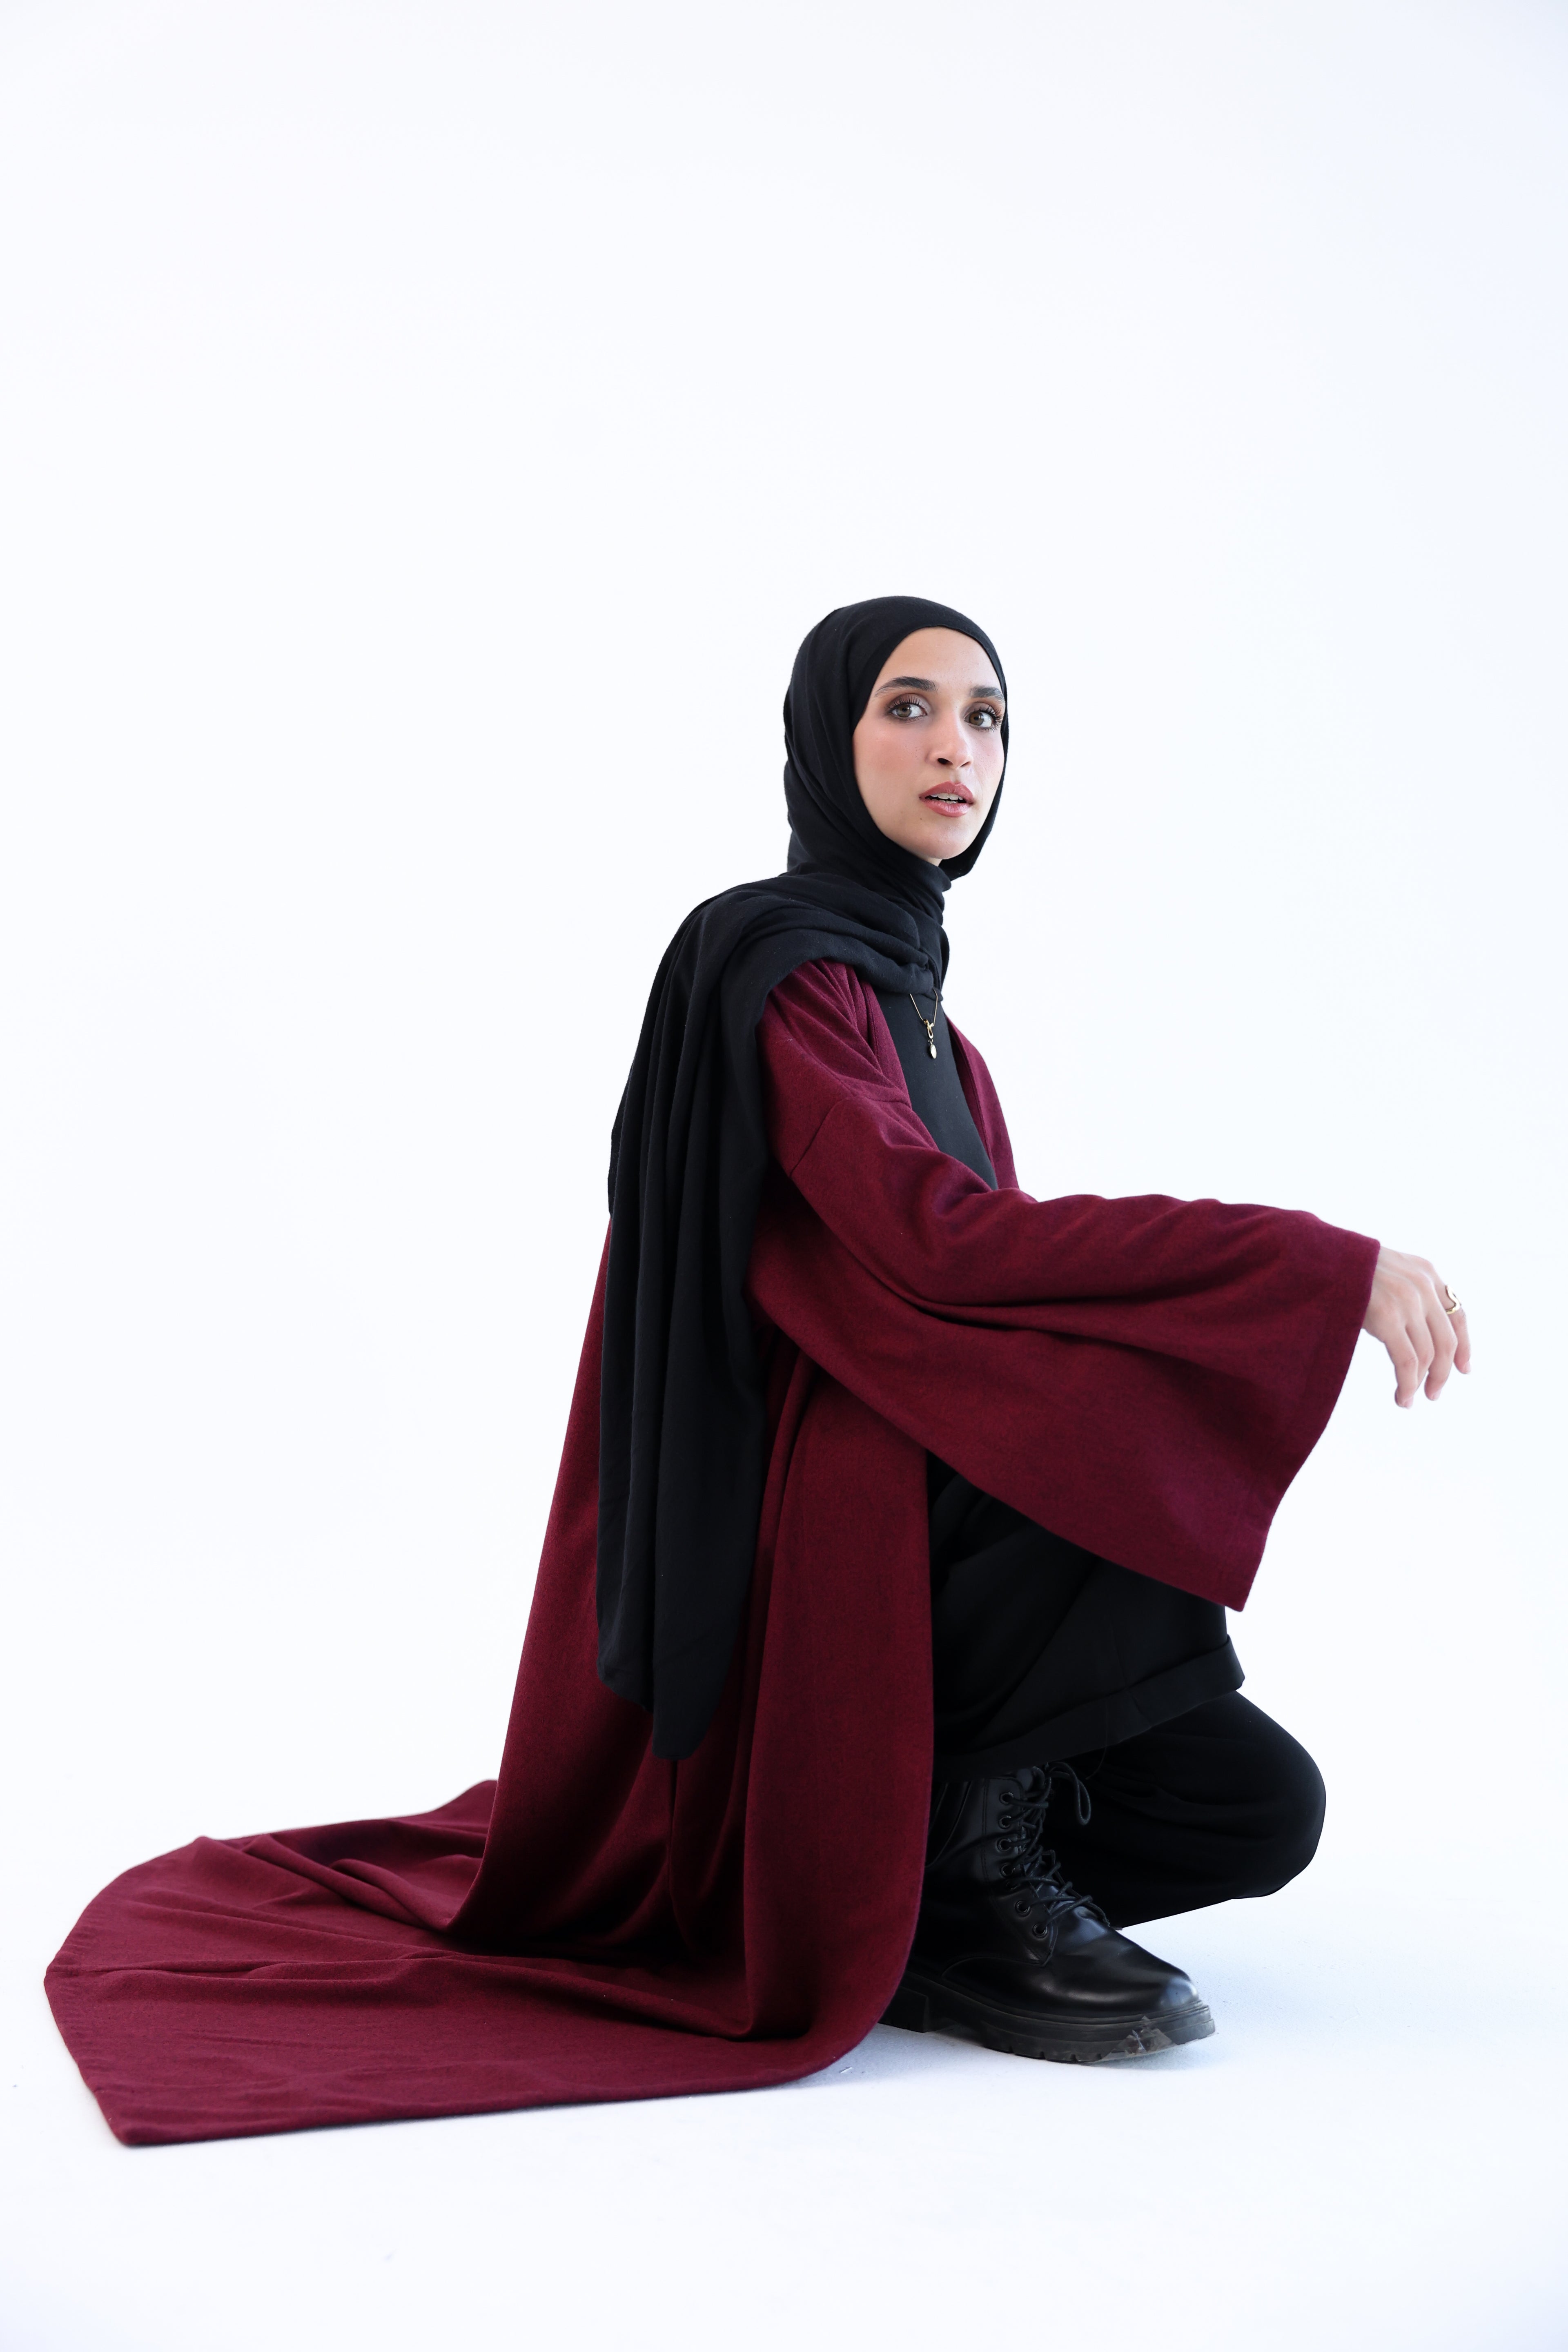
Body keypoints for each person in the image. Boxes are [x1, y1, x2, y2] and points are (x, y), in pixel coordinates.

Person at [46, 596, 1469, 2144]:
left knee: (1254, 1810)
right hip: (798, 1519)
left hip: (913, 1497)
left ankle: (910, 1882)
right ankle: (967, 1897)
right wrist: (1302, 1269)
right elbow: (940, 1251)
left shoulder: (938, 1032)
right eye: (909, 707)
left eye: (987, 717)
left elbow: (990, 1291)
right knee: (1093, 1415)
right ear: (826, 738)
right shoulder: (778, 966)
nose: (956, 747)